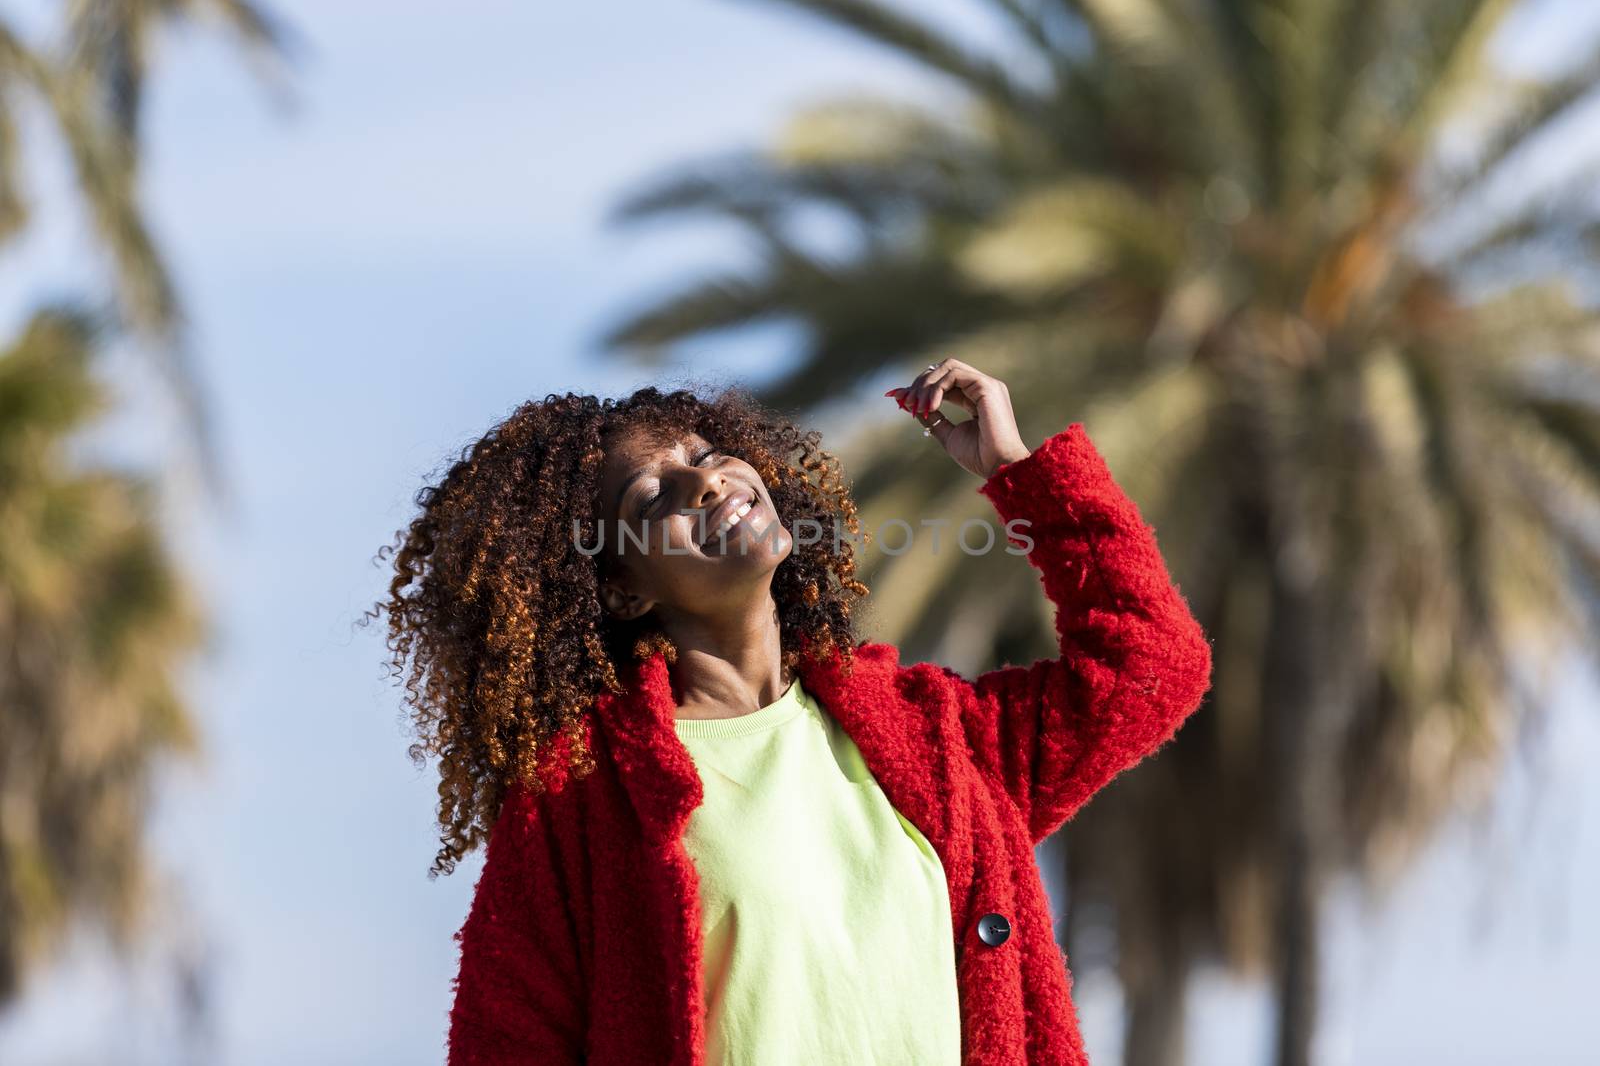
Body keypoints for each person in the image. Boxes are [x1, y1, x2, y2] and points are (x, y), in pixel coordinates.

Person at [375, 358, 1213, 1065]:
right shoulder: (580, 798)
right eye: (652, 493)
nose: (705, 476)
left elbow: (1150, 666)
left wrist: (1015, 471)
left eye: (707, 451)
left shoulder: (931, 737)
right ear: (623, 586)